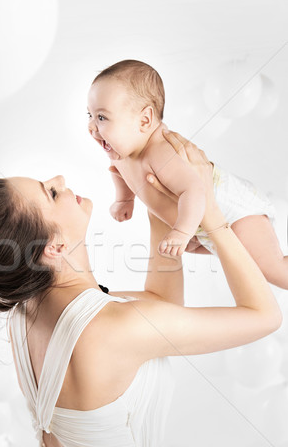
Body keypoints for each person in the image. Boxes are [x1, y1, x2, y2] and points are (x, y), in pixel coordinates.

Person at [0, 131, 282, 447]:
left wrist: (159, 207)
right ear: (55, 247)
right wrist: (211, 216)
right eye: (51, 192)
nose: (61, 179)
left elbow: (157, 303)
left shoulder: (27, 310)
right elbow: (264, 316)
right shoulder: (114, 327)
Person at [87, 59, 288, 289]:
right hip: (204, 228)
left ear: (144, 120)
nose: (92, 126)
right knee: (231, 257)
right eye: (90, 115)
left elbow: (193, 189)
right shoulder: (121, 152)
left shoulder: (159, 152)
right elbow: (118, 171)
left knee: (271, 269)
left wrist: (182, 231)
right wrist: (124, 199)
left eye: (101, 117)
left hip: (234, 211)